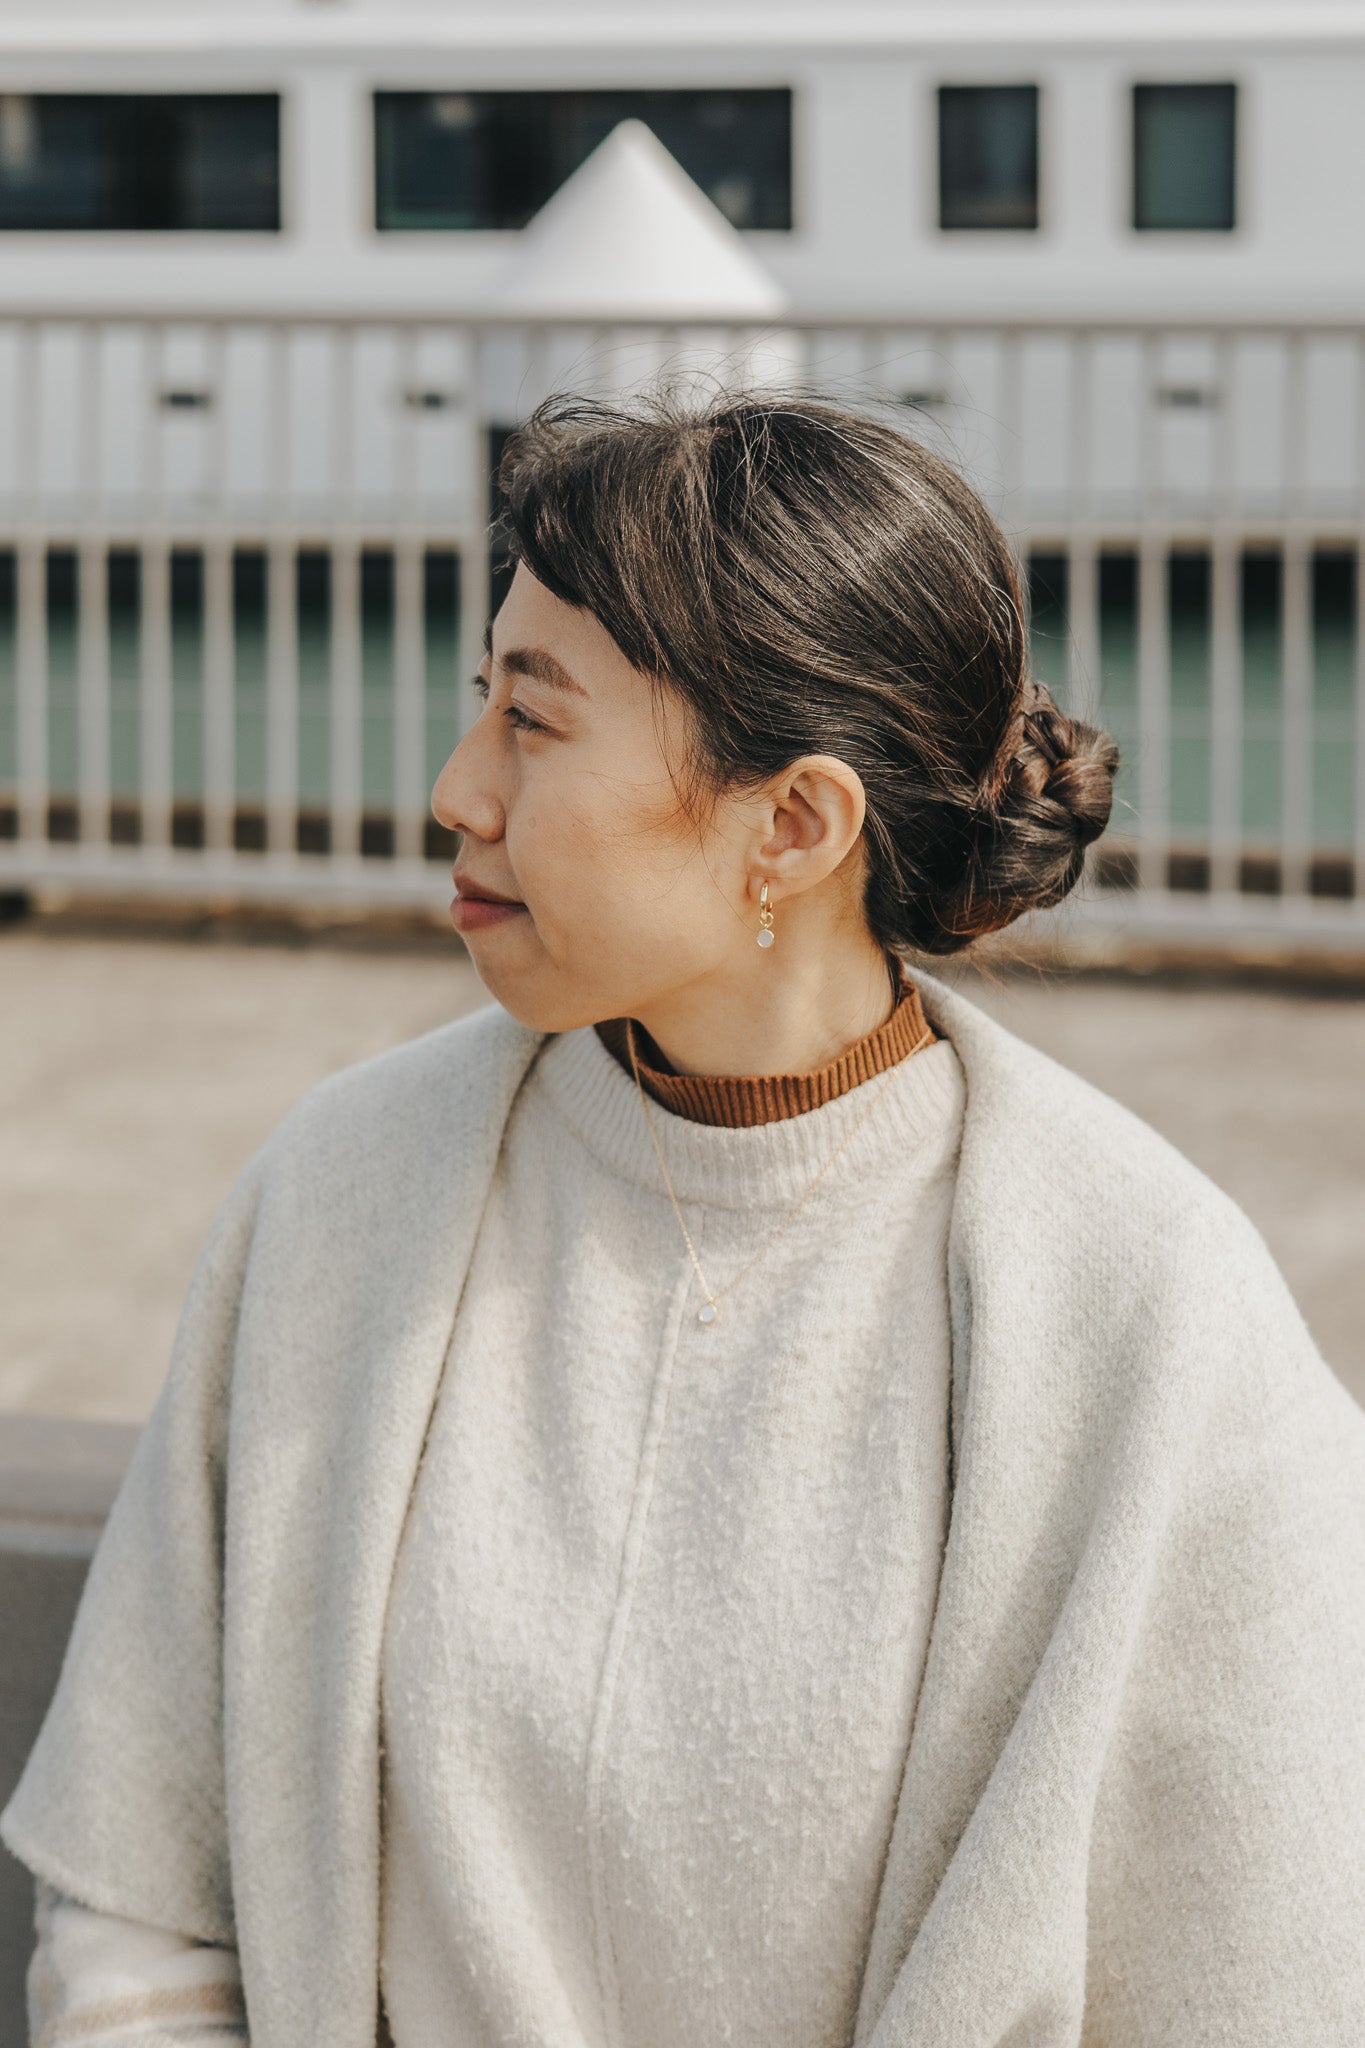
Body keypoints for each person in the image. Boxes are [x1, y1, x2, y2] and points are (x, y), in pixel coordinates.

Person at [4, 392, 1363, 2048]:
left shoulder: (1149, 1310)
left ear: (791, 826)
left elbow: (1265, 1979)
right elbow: (141, 1911)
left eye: (534, 721)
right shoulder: (342, 1193)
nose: (454, 790)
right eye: (479, 700)